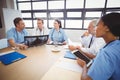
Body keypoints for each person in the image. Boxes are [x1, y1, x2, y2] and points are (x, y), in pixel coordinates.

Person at [77, 13, 120, 80]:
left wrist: (84, 65)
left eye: (97, 25)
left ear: (107, 28)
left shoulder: (106, 53)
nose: (95, 29)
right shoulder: (115, 45)